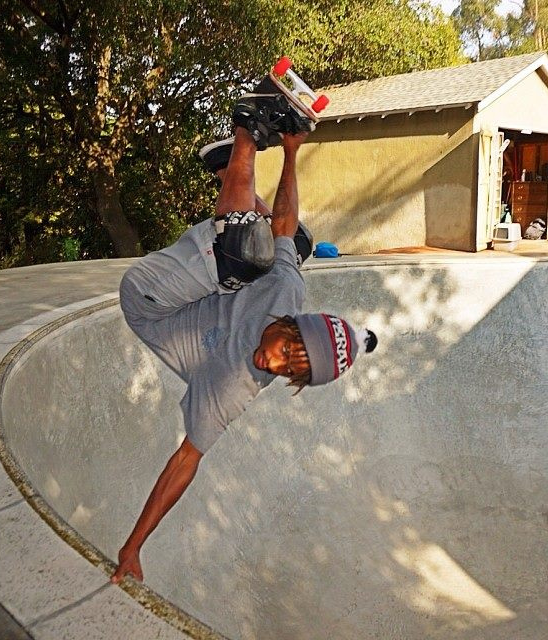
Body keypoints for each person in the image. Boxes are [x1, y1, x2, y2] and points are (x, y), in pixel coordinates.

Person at [112, 92, 377, 584]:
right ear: (292, 320)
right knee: (292, 243)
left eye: (285, 370)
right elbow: (285, 222)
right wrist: (294, 152)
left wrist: (133, 547)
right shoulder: (287, 287)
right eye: (284, 348)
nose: (270, 361)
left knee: (244, 254)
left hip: (149, 300)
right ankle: (230, 167)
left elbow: (184, 464)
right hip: (202, 278)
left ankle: (243, 135)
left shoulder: (235, 385)